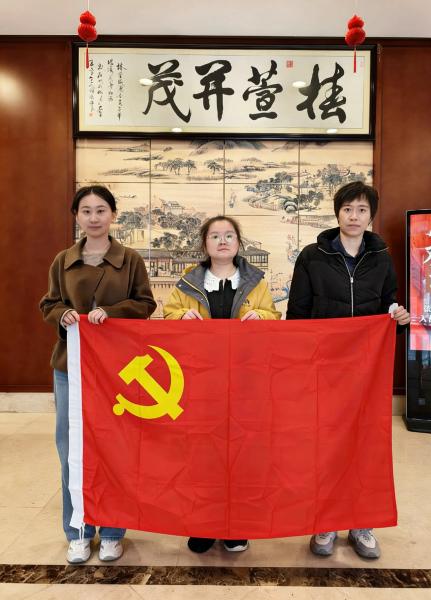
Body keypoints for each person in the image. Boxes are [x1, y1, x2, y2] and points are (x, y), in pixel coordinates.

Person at [286, 181, 410, 560]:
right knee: (325, 446)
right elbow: (297, 314)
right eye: (347, 209)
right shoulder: (313, 256)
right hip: (323, 367)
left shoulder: (381, 258)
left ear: (370, 215)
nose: (354, 216)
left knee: (365, 445)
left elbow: (388, 305)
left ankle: (361, 523)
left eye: (361, 210)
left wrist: (398, 318)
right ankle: (325, 522)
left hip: (366, 371)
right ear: (337, 212)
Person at [40, 186, 156, 564]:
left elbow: (145, 303)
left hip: (116, 371)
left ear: (113, 215)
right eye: (86, 211)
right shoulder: (63, 260)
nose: (94, 217)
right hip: (70, 368)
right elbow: (49, 303)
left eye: (101, 210)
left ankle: (112, 532)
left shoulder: (130, 259)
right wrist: (63, 315)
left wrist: (114, 312)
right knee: (71, 450)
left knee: (114, 449)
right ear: (76, 216)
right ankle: (78, 531)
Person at [164, 215, 281, 553]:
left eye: (229, 235)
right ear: (205, 244)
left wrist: (262, 317)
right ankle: (203, 524)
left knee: (242, 453)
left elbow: (274, 317)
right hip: (201, 383)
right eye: (215, 236)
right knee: (202, 453)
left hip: (245, 381)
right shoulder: (188, 282)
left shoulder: (255, 282)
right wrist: (180, 317)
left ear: (238, 243)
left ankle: (236, 526)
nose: (223, 241)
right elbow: (168, 317)